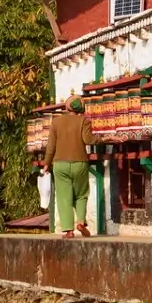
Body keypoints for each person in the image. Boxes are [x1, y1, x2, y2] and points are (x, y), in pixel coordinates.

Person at [42, 98, 95, 238]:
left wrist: (46, 163)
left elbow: (51, 146)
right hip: (80, 163)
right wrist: (107, 139)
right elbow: (88, 140)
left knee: (64, 197)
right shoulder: (84, 121)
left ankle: (68, 230)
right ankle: (81, 222)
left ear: (67, 108)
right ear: (80, 109)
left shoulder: (56, 122)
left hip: (60, 165)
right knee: (81, 194)